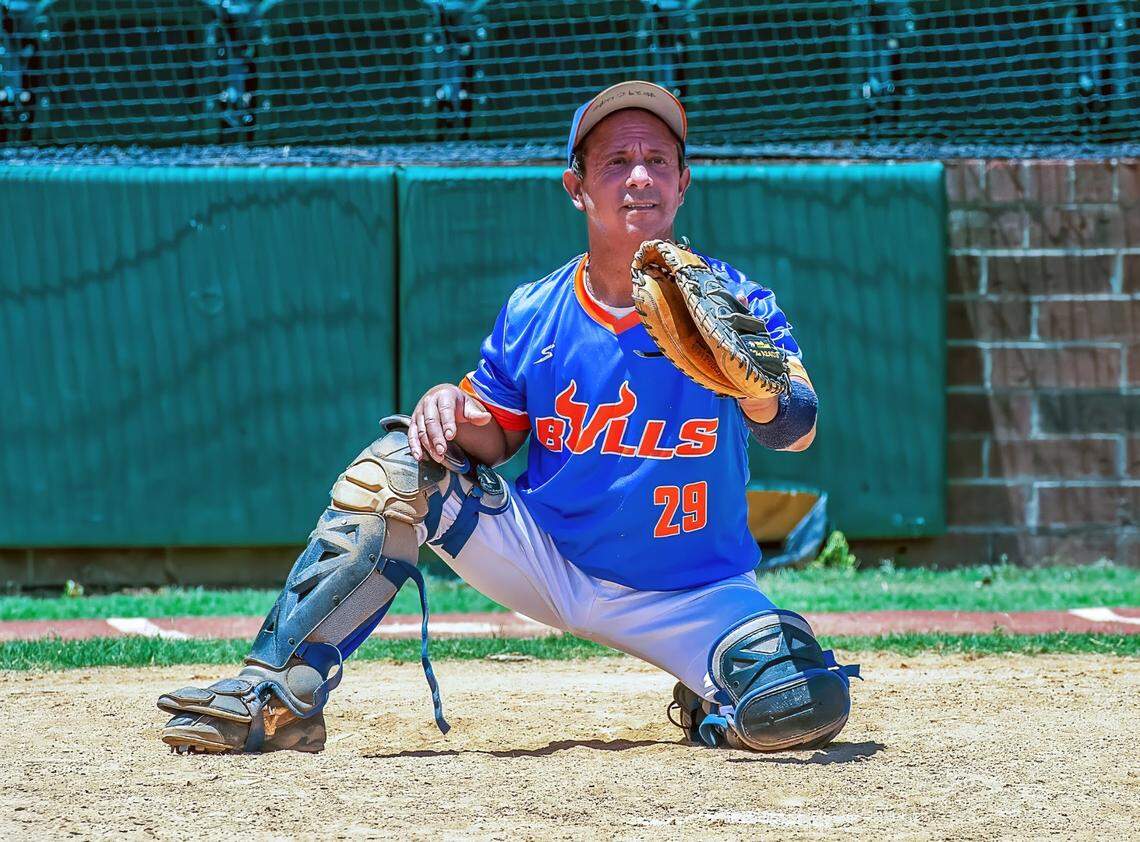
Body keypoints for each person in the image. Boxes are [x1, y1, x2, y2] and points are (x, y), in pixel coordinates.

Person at [156, 80, 858, 755]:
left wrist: (753, 386)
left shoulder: (734, 304)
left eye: (657, 162)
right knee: (398, 468)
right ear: (576, 186)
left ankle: (712, 702)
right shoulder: (535, 311)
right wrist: (445, 406)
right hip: (549, 561)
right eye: (616, 162)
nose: (639, 177)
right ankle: (275, 693)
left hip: (694, 591)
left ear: (682, 183)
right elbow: (494, 438)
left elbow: (798, 428)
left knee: (804, 702)